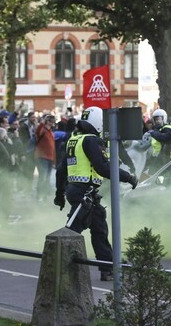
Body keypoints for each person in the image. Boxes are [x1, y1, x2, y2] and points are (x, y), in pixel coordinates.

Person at [55, 106, 138, 281]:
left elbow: (61, 170)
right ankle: (57, 268)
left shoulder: (74, 139)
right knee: (72, 231)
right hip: (84, 193)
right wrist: (127, 177)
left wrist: (60, 193)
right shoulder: (92, 141)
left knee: (99, 228)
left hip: (81, 192)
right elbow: (103, 167)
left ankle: (107, 268)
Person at [144, 108, 171, 174]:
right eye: (156, 119)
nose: (157, 121)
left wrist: (153, 132)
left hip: (163, 158)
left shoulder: (167, 128)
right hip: (156, 157)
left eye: (159, 119)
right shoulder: (157, 129)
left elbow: (163, 138)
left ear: (164, 118)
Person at [35, 114, 56, 202]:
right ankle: (39, 195)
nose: (53, 122)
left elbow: (53, 147)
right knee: (42, 177)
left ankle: (44, 196)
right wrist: (43, 122)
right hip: (42, 157)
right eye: (51, 120)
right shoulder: (42, 130)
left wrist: (54, 160)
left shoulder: (51, 132)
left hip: (50, 158)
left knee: (47, 178)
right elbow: (38, 131)